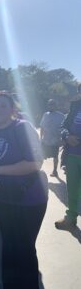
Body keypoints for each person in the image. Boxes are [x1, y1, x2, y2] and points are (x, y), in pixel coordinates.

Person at [0, 92, 48, 289]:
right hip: (3, 199)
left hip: (29, 200)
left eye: (3, 106)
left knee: (24, 249)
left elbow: (35, 163)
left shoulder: (22, 128)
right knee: (8, 247)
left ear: (13, 109)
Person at [55, 84, 81, 230]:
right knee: (72, 189)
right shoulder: (75, 106)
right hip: (72, 155)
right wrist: (67, 136)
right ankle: (70, 218)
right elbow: (63, 126)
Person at [40, 99, 65, 177]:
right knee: (41, 155)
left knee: (55, 156)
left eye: (53, 104)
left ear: (56, 105)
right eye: (50, 104)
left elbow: (64, 128)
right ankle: (38, 170)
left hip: (55, 140)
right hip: (46, 139)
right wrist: (40, 138)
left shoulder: (61, 115)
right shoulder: (45, 114)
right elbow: (42, 126)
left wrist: (62, 139)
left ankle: (55, 171)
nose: (51, 106)